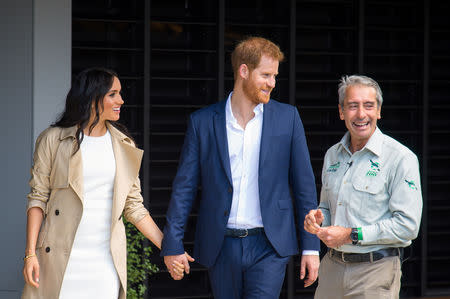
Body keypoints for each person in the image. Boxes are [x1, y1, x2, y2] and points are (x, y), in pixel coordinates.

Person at [161, 37, 320, 298]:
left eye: (275, 76)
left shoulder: (288, 118)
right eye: (266, 75)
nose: (272, 83)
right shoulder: (203, 122)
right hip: (220, 244)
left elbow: (304, 187)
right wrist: (172, 244)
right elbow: (184, 187)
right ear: (244, 71)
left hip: (270, 245)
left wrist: (311, 248)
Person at [22, 68, 188, 299]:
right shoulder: (53, 140)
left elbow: (134, 207)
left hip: (104, 261)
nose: (121, 100)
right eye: (113, 94)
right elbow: (37, 198)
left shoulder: (124, 145)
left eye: (120, 93)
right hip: (58, 258)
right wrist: (30, 254)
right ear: (92, 98)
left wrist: (169, 248)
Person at [304, 75, 423, 299]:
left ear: (378, 110)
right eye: (352, 106)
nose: (361, 114)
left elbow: (408, 226)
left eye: (368, 106)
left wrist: (350, 235)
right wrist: (318, 219)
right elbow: (327, 207)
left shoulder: (400, 158)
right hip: (332, 269)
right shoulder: (333, 155)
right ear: (341, 112)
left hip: (375, 271)